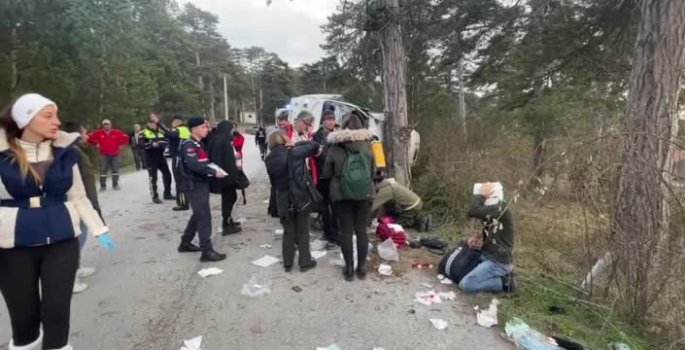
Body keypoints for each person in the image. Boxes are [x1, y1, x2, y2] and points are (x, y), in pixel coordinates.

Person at [0, 93, 115, 350]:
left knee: (57, 313)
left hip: (62, 241)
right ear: (26, 119)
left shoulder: (66, 153)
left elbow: (78, 196)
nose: (57, 122)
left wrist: (99, 228)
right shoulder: (1, 155)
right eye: (48, 116)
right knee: (24, 321)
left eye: (57, 115)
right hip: (12, 246)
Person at [322, 111, 376, 281]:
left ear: (342, 128)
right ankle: (361, 268)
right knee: (361, 230)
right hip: (365, 193)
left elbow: (326, 173)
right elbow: (374, 172)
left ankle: (349, 268)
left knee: (346, 231)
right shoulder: (368, 146)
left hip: (341, 194)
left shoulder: (334, 147)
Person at [266, 130, 321, 273]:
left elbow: (273, 182)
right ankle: (305, 262)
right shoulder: (294, 152)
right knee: (303, 230)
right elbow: (314, 145)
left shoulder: (269, 159)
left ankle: (288, 263)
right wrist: (296, 143)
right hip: (300, 196)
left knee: (288, 232)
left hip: (282, 198)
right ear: (284, 140)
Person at [176, 117, 227, 262]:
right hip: (195, 185)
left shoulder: (199, 144)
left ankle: (185, 242)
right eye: (203, 127)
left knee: (198, 214)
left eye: (206, 127)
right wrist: (212, 172)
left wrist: (213, 168)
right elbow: (193, 165)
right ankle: (207, 251)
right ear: (194, 129)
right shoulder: (189, 145)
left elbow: (204, 162)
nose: (206, 129)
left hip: (201, 184)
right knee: (204, 216)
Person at [63, 121, 105, 294]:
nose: (88, 136)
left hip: (84, 200)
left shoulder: (77, 150)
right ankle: (68, 278)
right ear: (76, 135)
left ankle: (76, 267)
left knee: (80, 236)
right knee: (75, 239)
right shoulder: (70, 153)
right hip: (76, 203)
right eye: (85, 133)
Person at [459, 182, 516, 293]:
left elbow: (473, 211)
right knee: (460, 271)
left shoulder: (501, 208)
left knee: (466, 285)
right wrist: (478, 240)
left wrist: (479, 196)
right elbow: (492, 233)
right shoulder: (493, 212)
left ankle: (504, 282)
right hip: (487, 256)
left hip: (498, 262)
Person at [208, 121, 242, 235]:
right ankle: (226, 225)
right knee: (228, 199)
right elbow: (216, 159)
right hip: (224, 176)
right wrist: (219, 175)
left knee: (231, 197)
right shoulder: (219, 141)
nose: (233, 131)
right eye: (232, 129)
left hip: (229, 175)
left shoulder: (225, 140)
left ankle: (228, 220)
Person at [313, 110, 340, 249]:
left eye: (332, 119)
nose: (331, 121)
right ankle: (329, 232)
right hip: (323, 176)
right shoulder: (317, 136)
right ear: (323, 121)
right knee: (324, 208)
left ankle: (336, 233)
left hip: (335, 176)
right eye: (328, 119)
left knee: (336, 206)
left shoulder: (339, 134)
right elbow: (318, 155)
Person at [155, 115, 191, 211]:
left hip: (179, 158)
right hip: (182, 157)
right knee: (183, 180)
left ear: (177, 121)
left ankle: (183, 203)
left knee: (180, 181)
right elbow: (168, 136)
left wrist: (159, 123)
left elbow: (169, 133)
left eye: (173, 122)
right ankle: (184, 201)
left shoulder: (180, 129)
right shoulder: (184, 130)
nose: (172, 124)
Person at [139, 114, 174, 204]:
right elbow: (141, 145)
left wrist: (162, 143)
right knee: (153, 178)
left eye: (155, 123)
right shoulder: (143, 133)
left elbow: (167, 141)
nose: (154, 124)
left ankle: (167, 193)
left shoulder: (161, 132)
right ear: (148, 123)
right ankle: (154, 196)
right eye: (152, 123)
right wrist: (151, 145)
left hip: (161, 156)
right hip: (150, 157)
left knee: (167, 175)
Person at [87, 119, 129, 191]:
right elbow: (89, 138)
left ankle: (115, 185)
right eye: (104, 125)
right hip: (104, 155)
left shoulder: (116, 132)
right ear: (103, 126)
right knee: (103, 170)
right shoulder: (99, 133)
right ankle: (103, 186)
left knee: (115, 170)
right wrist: (96, 143)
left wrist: (119, 143)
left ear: (110, 125)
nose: (106, 126)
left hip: (114, 154)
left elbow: (126, 137)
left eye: (107, 124)